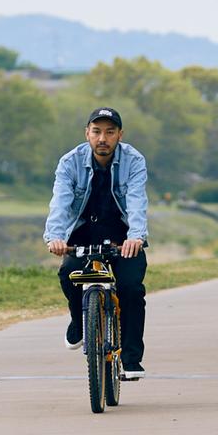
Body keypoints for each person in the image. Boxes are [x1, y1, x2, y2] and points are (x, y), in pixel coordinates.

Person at [45, 107, 148, 379]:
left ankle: (131, 359)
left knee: (131, 289)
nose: (103, 138)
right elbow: (60, 201)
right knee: (68, 275)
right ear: (87, 133)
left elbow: (137, 200)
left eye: (110, 132)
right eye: (97, 131)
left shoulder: (134, 160)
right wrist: (55, 237)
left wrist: (136, 236)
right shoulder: (70, 162)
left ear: (120, 135)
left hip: (123, 236)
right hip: (83, 233)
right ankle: (80, 321)